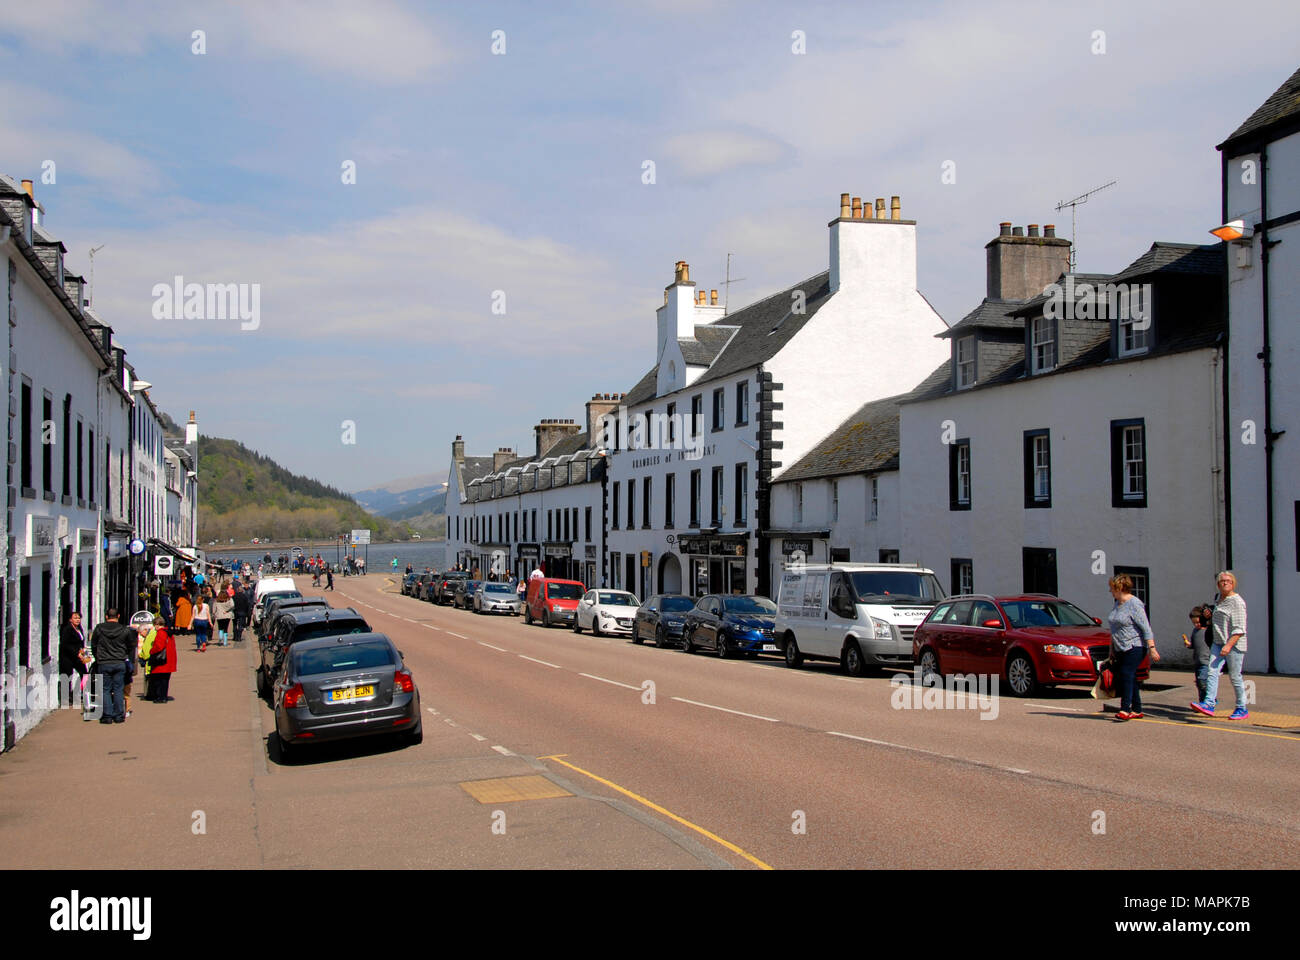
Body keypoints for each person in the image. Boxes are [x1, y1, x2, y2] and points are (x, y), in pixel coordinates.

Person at [1192, 572, 1250, 719]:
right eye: (1222, 581)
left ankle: (1241, 708)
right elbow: (1218, 620)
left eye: (1228, 581)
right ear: (1218, 585)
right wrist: (1209, 614)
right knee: (1212, 672)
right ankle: (1209, 703)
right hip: (1218, 642)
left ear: (1233, 583)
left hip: (1234, 644)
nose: (1225, 583)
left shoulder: (1237, 602)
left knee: (1235, 677)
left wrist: (1229, 645)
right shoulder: (1218, 599)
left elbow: (1240, 628)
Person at [1106, 573, 1158, 721]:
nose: (1110, 591)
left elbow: (1146, 627)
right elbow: (1114, 629)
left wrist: (1152, 648)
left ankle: (1125, 708)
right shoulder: (1117, 604)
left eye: (1112, 588)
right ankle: (1137, 709)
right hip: (1120, 647)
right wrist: (1112, 649)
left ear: (1120, 587)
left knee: (1126, 674)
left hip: (1135, 645)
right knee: (1131, 677)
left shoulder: (1135, 604)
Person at [88, 609, 134, 724]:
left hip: (104, 662)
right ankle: (118, 716)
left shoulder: (99, 629)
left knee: (105, 689)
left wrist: (98, 657)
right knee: (119, 689)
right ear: (118, 616)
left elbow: (94, 645)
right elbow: (130, 645)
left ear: (106, 616)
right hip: (119, 662)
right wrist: (124, 655)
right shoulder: (124, 629)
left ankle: (107, 716)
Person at [1182, 605, 1214, 704]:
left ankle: (1210, 699)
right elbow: (1194, 645)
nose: (1196, 624)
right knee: (1199, 684)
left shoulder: (1208, 631)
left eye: (1198, 622)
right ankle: (1202, 702)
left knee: (1202, 682)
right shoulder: (1195, 631)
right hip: (1197, 662)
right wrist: (1189, 645)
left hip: (1206, 662)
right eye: (1194, 623)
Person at [143, 616, 177, 702]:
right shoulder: (169, 632)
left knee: (159, 680)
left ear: (157, 625)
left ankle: (160, 697)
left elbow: (159, 646)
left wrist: (151, 651)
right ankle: (163, 696)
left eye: (155, 625)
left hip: (162, 660)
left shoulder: (161, 633)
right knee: (165, 680)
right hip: (169, 659)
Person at [58, 611, 87, 706]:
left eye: (79, 618)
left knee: (85, 673)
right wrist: (76, 652)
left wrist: (82, 650)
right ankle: (65, 698)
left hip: (78, 656)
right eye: (75, 618)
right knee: (67, 676)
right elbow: (65, 644)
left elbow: (81, 641)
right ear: (70, 619)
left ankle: (84, 693)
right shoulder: (67, 629)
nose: (77, 620)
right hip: (67, 657)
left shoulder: (79, 629)